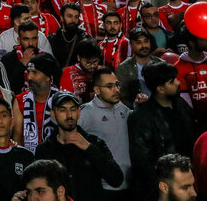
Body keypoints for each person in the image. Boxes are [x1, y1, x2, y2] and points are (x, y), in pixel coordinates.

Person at [35, 91, 124, 201]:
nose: (69, 115)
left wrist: (89, 148)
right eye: (63, 110)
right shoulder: (44, 150)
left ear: (79, 112)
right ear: (53, 114)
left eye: (73, 109)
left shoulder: (95, 143)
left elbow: (116, 179)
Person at [127, 61, 196, 195]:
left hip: (187, 179)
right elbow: (142, 161)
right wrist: (161, 188)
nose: (178, 83)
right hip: (163, 187)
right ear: (160, 89)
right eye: (172, 81)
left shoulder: (181, 105)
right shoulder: (141, 117)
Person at [78, 68, 132, 201]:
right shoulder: (86, 112)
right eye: (109, 86)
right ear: (96, 90)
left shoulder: (124, 110)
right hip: (102, 187)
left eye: (117, 85)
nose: (116, 90)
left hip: (129, 183)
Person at [12, 53, 60, 153]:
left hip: (57, 157)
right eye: (28, 72)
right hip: (28, 158)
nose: (29, 77)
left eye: (34, 72)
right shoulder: (21, 100)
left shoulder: (60, 100)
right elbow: (17, 138)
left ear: (48, 77)